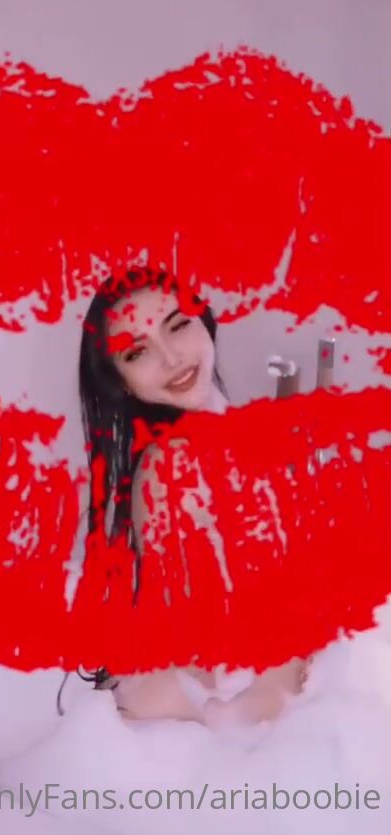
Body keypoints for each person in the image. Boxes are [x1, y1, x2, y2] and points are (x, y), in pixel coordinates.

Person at [78, 266, 307, 728]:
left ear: (204, 320)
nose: (171, 358)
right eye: (138, 351)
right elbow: (210, 658)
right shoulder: (170, 468)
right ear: (121, 381)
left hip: (206, 711)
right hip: (189, 716)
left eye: (178, 325)